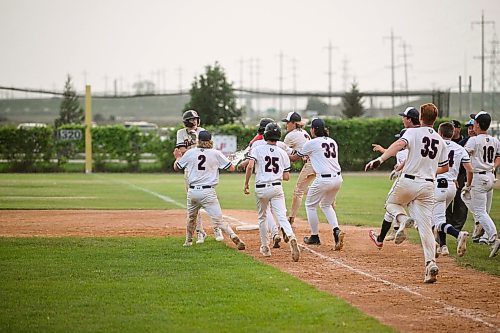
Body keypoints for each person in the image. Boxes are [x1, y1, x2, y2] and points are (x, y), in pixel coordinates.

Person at [366, 103, 449, 284]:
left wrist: (380, 159)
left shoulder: (412, 132)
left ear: (420, 117)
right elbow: (445, 167)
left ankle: (403, 220)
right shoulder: (440, 139)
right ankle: (430, 264)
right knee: (426, 227)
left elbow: (398, 144)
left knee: (391, 204)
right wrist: (429, 171)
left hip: (409, 180)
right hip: (428, 185)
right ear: (434, 119)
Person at [173, 130, 246, 250]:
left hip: (192, 192)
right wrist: (225, 161)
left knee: (191, 217)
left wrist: (177, 157)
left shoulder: (190, 152)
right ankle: (233, 235)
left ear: (198, 141)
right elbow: (231, 168)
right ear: (210, 141)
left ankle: (188, 241)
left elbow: (177, 167)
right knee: (218, 220)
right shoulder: (215, 153)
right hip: (208, 192)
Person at [244, 122, 300, 261]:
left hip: (261, 187)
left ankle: (265, 247)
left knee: (262, 217)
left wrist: (246, 184)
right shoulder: (282, 152)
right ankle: (291, 236)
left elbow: (250, 166)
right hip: (276, 187)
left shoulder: (257, 148)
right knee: (281, 216)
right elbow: (286, 177)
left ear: (265, 134)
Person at [291, 118, 345, 251]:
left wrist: (283, 150)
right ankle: (336, 231)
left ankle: (314, 236)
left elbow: (294, 158)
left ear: (314, 130)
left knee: (310, 205)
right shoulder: (332, 141)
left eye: (312, 128)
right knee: (326, 205)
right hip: (338, 179)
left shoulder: (312, 142)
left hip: (324, 179)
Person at [371, 106, 420, 242]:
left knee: (390, 205)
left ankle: (397, 226)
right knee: (418, 217)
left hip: (406, 181)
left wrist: (396, 169)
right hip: (423, 183)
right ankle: (435, 242)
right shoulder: (421, 140)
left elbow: (400, 154)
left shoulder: (405, 145)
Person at [175, 110, 223, 243]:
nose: (194, 121)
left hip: (205, 172)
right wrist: (196, 146)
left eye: (196, 119)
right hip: (190, 172)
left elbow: (207, 149)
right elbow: (181, 151)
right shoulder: (181, 133)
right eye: (191, 119)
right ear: (186, 121)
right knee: (194, 205)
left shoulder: (202, 131)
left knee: (211, 201)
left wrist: (194, 146)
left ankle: (217, 228)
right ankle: (199, 231)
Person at [238, 118, 286, 249]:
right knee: (279, 210)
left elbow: (250, 163)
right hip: (277, 181)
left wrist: (243, 167)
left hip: (262, 181)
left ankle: (274, 233)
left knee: (265, 212)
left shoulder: (256, 144)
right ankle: (282, 229)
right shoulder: (280, 145)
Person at [461, 111, 500, 257]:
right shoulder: (494, 140)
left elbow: (463, 158)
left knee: (480, 211)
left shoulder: (474, 140)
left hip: (478, 177)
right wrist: (494, 166)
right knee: (466, 197)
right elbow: (498, 156)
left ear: (477, 124)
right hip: (490, 176)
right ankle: (482, 225)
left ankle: (492, 237)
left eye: (475, 122)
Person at [433, 122, 472, 257]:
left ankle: (457, 235)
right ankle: (442, 247)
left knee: (432, 220)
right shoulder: (459, 148)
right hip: (452, 186)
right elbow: (469, 170)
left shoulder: (437, 145)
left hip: (437, 184)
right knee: (440, 218)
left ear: (440, 133)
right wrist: (467, 186)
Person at [282, 111, 312, 242]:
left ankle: (290, 219)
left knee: (298, 191)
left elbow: (285, 155)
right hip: (317, 163)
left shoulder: (290, 136)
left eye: (287, 122)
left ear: (294, 124)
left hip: (311, 164)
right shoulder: (304, 133)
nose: (286, 125)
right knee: (306, 189)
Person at [445, 120, 469, 233]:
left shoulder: (464, 142)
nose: (453, 129)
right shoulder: (443, 143)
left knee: (460, 201)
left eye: (454, 127)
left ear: (459, 129)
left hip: (461, 174)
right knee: (446, 202)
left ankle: (457, 227)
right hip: (448, 174)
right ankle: (447, 225)